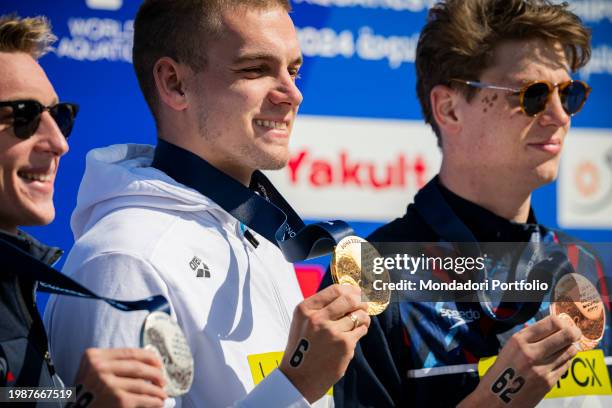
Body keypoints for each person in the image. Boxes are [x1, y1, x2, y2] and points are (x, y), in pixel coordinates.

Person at [44, 1, 370, 406]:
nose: (293, 94)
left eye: (294, 70)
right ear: (174, 83)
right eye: (255, 69)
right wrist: (296, 383)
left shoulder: (256, 230)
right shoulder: (124, 259)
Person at [327, 0, 611, 407]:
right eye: (532, 95)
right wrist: (497, 398)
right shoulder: (373, 281)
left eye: (569, 94)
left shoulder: (583, 264)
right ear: (449, 108)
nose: (558, 115)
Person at [0, 14, 169, 407]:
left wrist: (77, 399)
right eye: (24, 115)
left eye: (60, 116)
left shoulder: (13, 277)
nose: (59, 142)